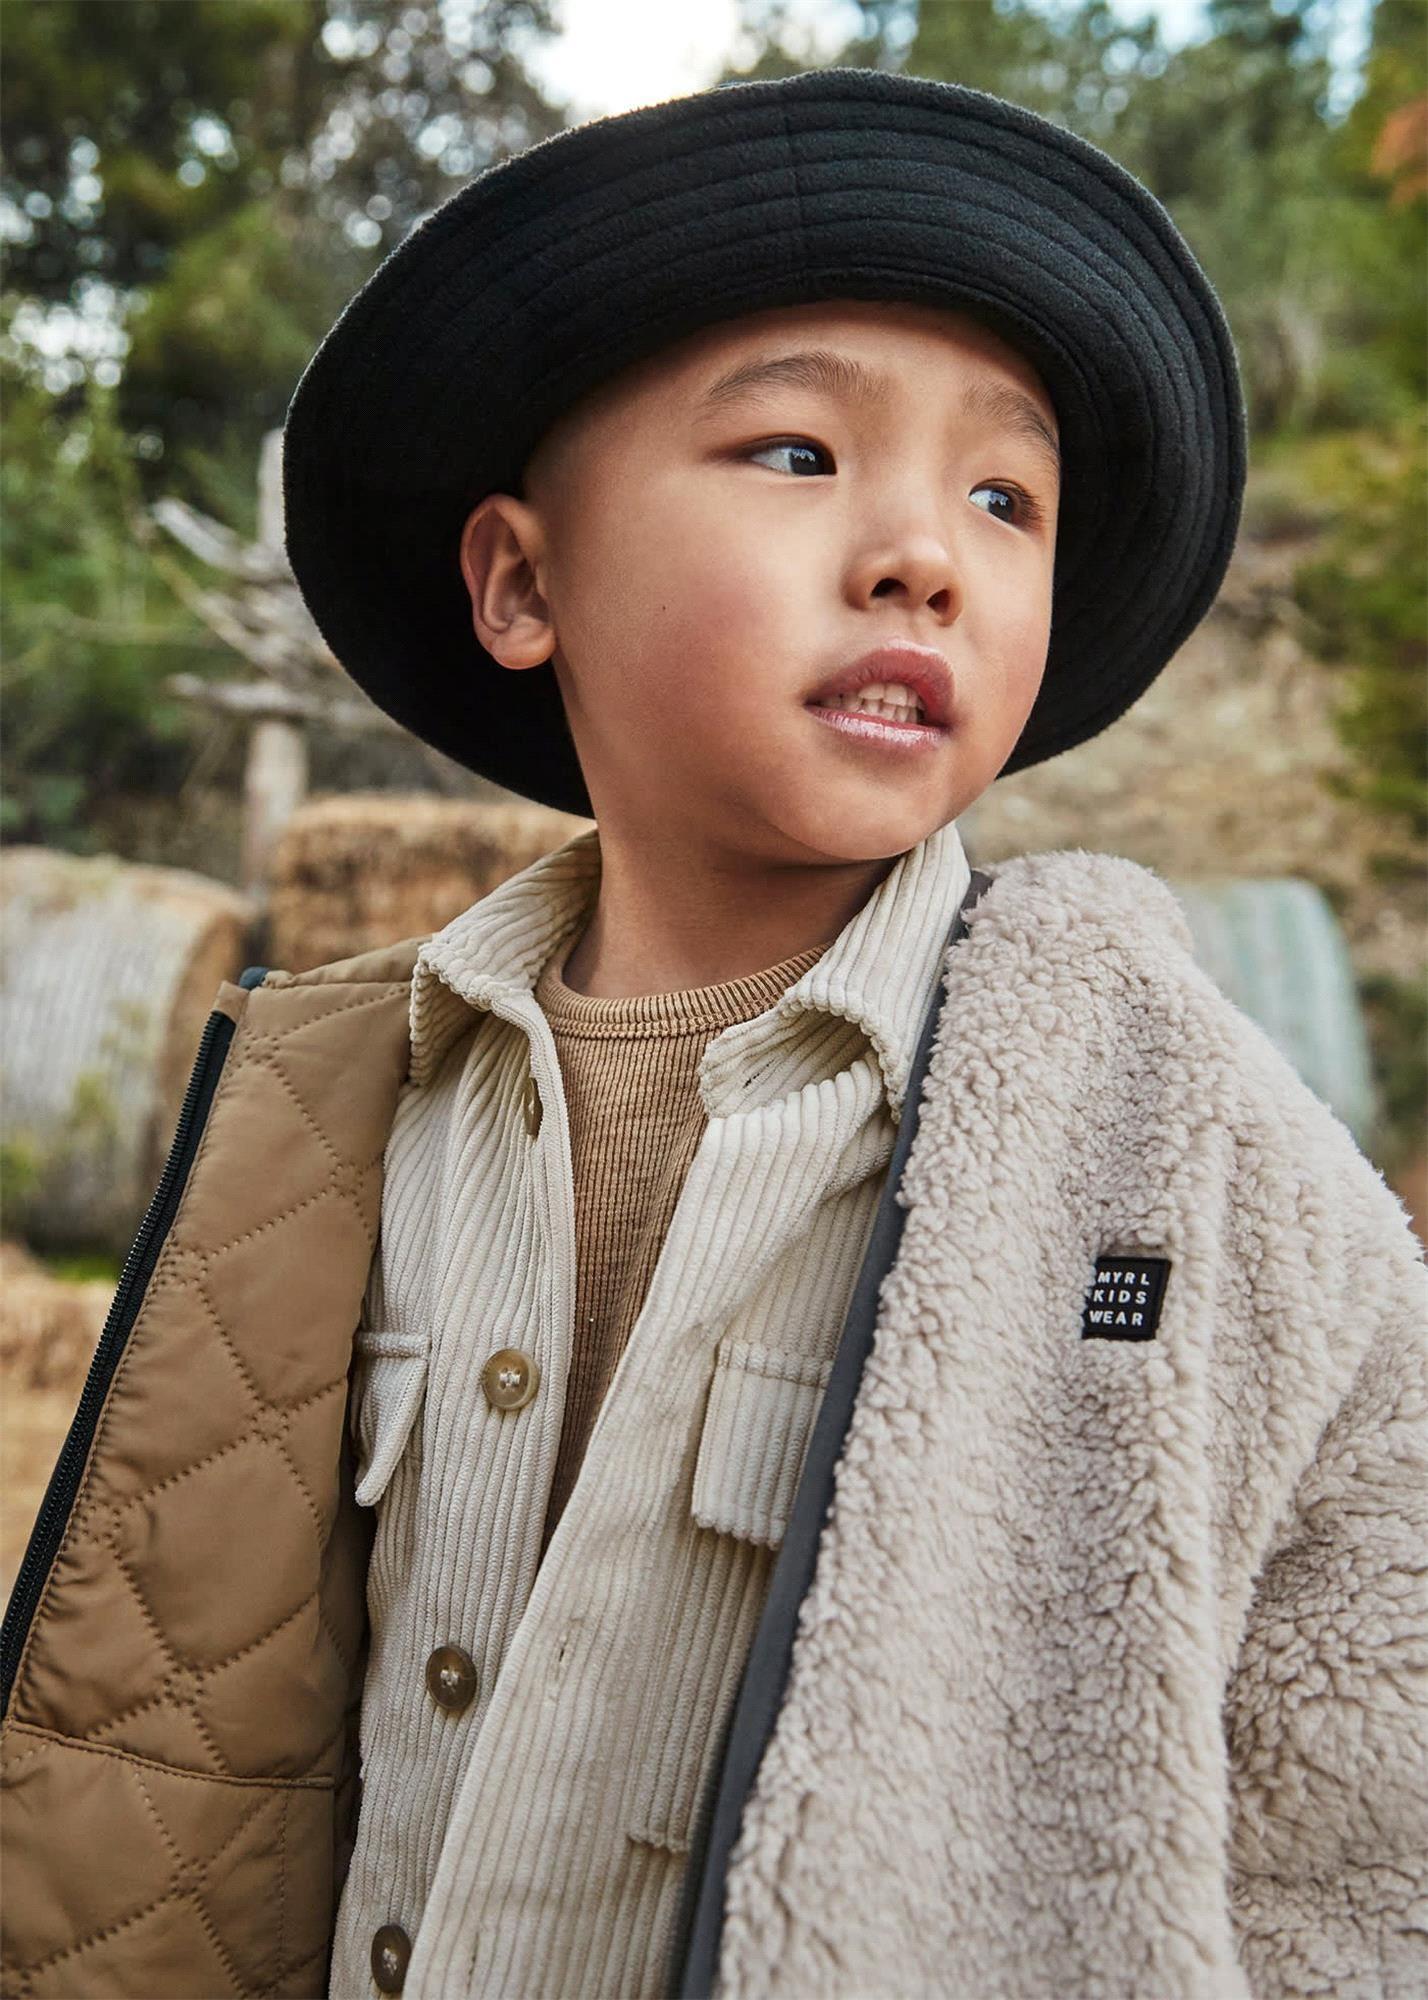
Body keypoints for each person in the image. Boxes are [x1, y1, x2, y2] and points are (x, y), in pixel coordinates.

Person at [2, 65, 1424, 2000]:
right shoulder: (343, 1113)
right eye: (798, 452)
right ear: (525, 582)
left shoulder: (1184, 1174)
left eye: (1004, 498)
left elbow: (1365, 1835)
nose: (924, 553)